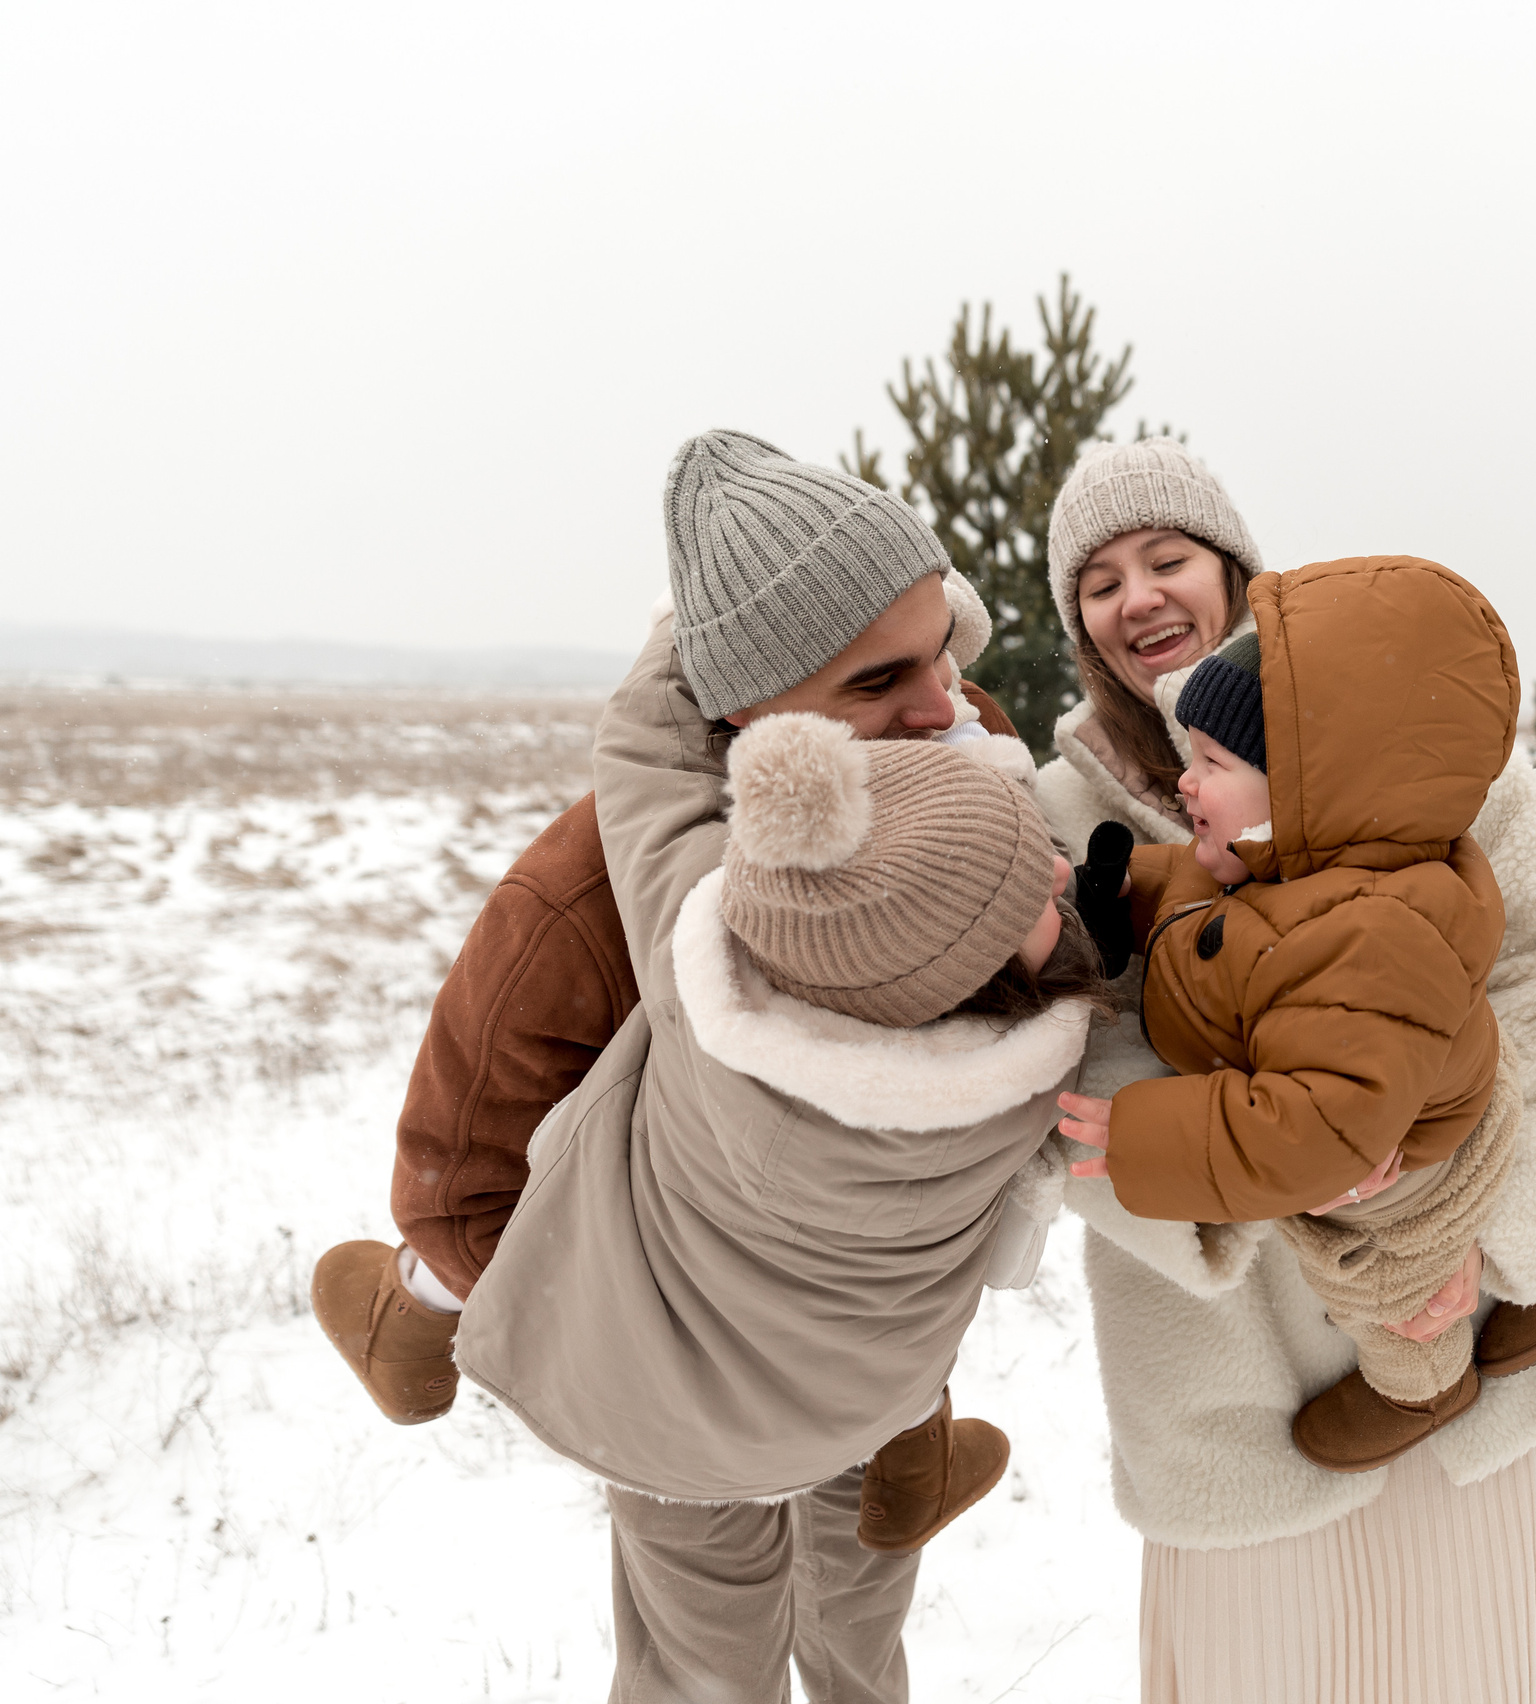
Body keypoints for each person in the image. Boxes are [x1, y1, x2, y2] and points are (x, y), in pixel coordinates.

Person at [313, 432, 1061, 1703]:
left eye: (946, 650)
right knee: (734, 1643)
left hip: (815, 1363)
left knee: (820, 1631)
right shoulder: (594, 895)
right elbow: (483, 1110)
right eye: (879, 679)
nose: (942, 705)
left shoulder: (953, 789)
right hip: (734, 1349)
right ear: (743, 715)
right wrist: (576, 1285)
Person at [1035, 439, 1536, 1702]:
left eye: (1168, 558)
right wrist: (1218, 1188)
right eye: (1101, 579)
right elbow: (1050, 1052)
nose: (1138, 596)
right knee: (1256, 1662)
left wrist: (1484, 1244)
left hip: (1456, 1317)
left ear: (1232, 571)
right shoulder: (1059, 817)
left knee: (1448, 1657)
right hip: (1225, 1352)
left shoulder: (1406, 726)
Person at [1055, 561, 1536, 1477]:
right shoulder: (1287, 858)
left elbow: (1320, 1130)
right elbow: (1196, 908)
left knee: (1391, 1287)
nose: (1186, 787)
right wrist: (1116, 893)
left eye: (1168, 560)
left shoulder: (1367, 921)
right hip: (1387, 1128)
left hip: (1401, 1175)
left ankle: (1423, 1384)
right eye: (1099, 581)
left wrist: (1148, 1138)